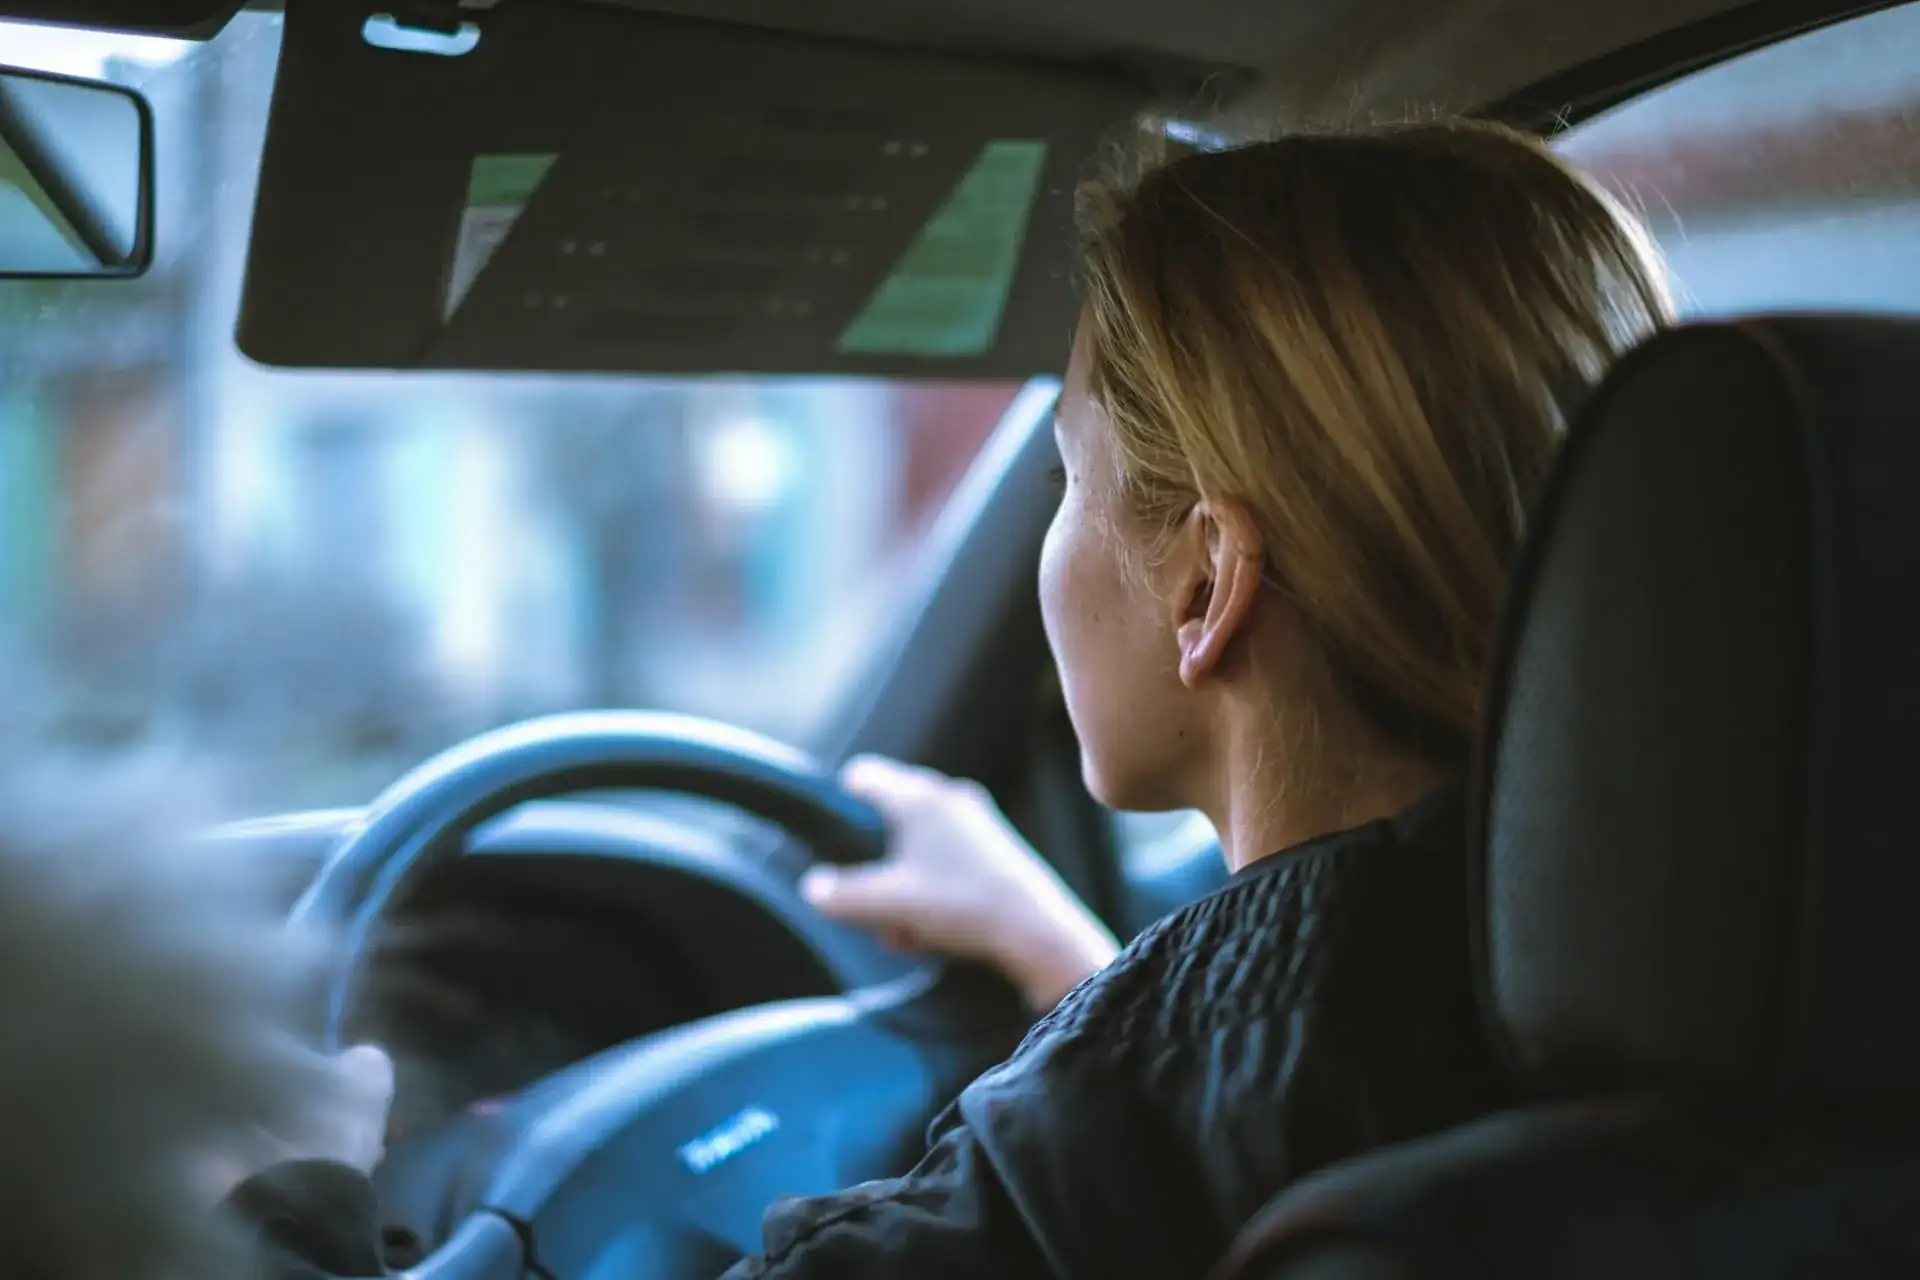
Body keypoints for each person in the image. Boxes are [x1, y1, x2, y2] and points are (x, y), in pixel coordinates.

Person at [228, 117, 1672, 1277]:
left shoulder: (1096, 1159)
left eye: (1070, 478)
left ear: (1205, 586)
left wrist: (289, 1206)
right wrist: (1078, 968)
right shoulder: (1696, 971)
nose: (1057, 535)